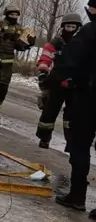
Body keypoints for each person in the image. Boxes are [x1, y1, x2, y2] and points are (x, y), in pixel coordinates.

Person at [48, 0, 96, 219]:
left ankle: (77, 196)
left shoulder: (89, 32)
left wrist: (54, 79)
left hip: (86, 100)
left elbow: (69, 60)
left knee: (79, 147)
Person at [35, 13, 82, 150]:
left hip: (74, 85)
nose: (70, 29)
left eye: (73, 26)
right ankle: (44, 138)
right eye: (68, 26)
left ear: (78, 28)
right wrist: (43, 73)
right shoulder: (56, 43)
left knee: (72, 117)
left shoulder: (82, 43)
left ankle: (71, 142)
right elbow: (45, 59)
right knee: (49, 112)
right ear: (63, 27)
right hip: (56, 83)